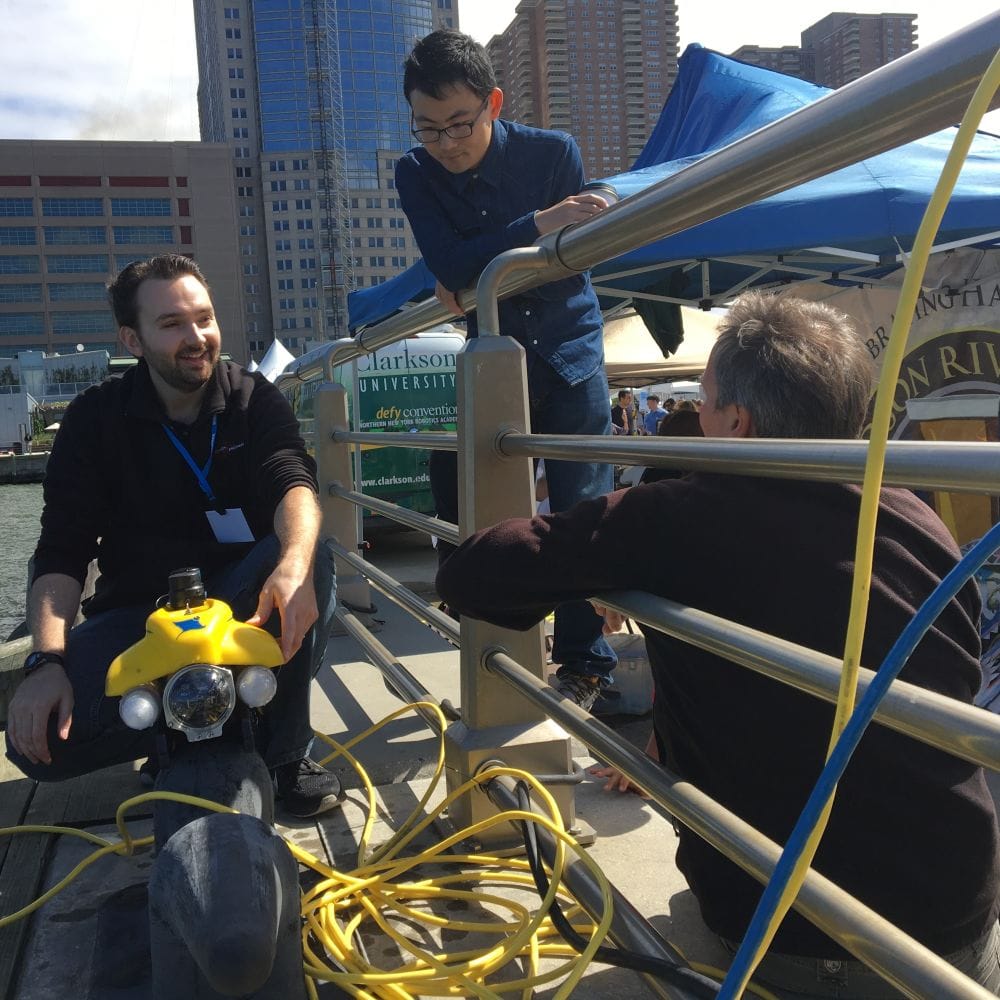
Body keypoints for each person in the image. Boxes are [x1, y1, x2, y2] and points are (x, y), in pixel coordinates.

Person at [436, 291, 1000, 997]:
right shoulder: (918, 516)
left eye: (703, 401)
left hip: (798, 937)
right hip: (959, 923)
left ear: (736, 419)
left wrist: (614, 575)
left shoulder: (678, 516)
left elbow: (473, 575)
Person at [6, 254, 344, 819]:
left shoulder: (254, 398)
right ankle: (179, 736)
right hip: (139, 620)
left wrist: (294, 562)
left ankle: (284, 756)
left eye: (204, 318)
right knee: (38, 744)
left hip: (240, 610)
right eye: (172, 325)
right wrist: (46, 664)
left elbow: (292, 479)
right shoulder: (93, 420)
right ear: (132, 339)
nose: (197, 338)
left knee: (307, 559)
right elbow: (61, 551)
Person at [396, 28, 616, 711]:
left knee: (582, 508)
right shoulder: (413, 170)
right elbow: (452, 267)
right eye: (428, 129)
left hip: (568, 351)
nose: (446, 143)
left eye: (460, 124)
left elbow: (548, 265)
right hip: (491, 359)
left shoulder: (555, 153)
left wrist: (477, 264)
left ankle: (584, 661)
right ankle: (492, 645)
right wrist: (538, 224)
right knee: (469, 498)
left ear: (493, 102)